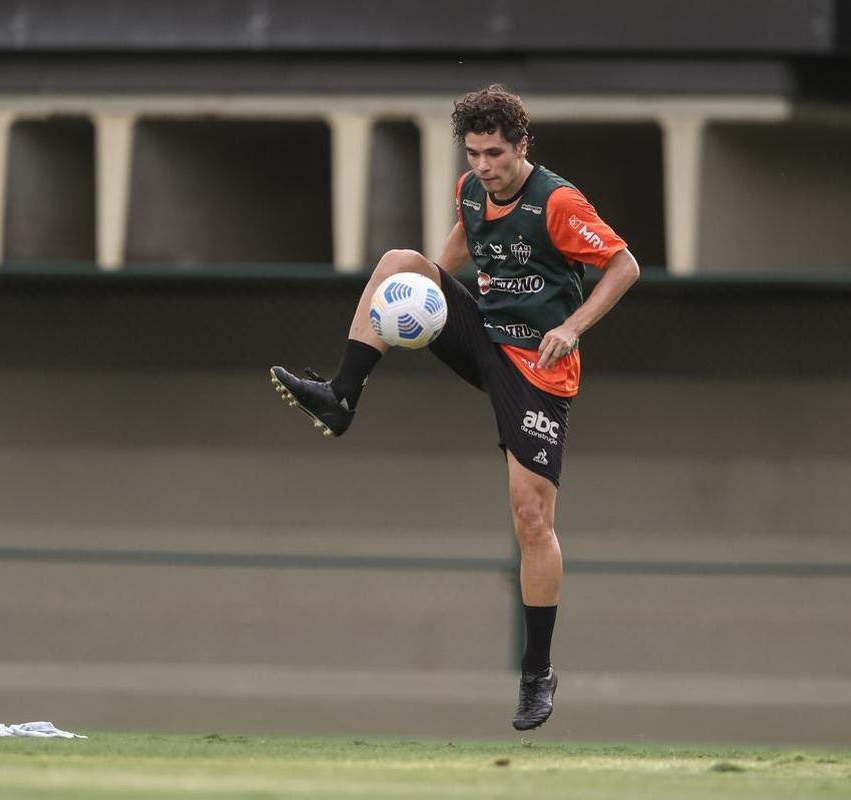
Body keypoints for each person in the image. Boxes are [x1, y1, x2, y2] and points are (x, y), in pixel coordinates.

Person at [270, 84, 639, 731]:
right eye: (472, 154)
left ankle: (536, 672)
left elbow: (624, 265)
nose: (483, 166)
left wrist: (572, 327)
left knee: (531, 518)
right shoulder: (472, 192)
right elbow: (456, 252)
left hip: (539, 368)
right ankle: (341, 396)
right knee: (397, 263)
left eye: (495, 153)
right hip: (486, 341)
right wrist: (416, 304)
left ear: (522, 146)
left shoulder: (556, 202)